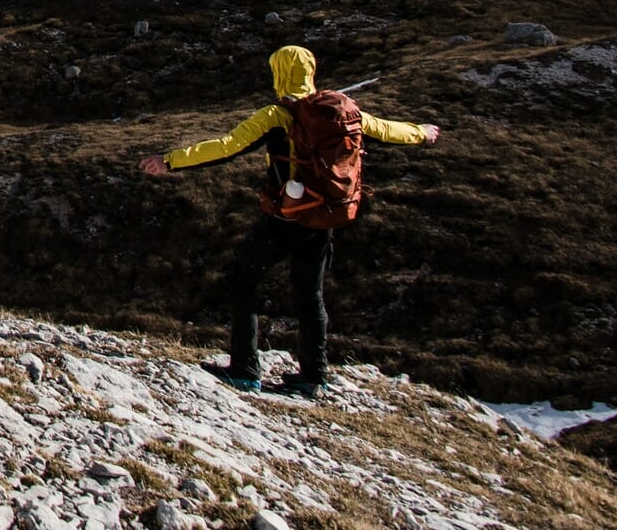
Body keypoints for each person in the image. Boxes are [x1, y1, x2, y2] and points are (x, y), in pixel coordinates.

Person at [139, 44, 440, 398]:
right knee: (310, 295)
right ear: (311, 71)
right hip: (325, 215)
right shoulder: (341, 112)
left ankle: (245, 369)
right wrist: (422, 131)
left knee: (242, 279)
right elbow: (387, 130)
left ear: (279, 73)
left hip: (287, 216)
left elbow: (226, 146)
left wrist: (170, 161)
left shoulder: (277, 115)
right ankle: (313, 376)